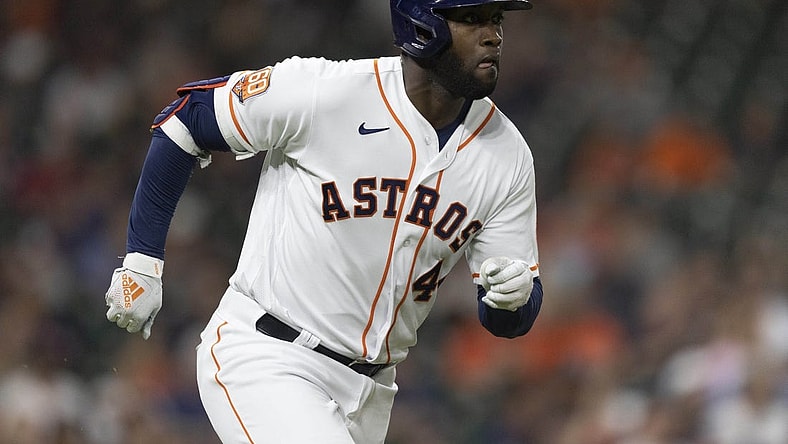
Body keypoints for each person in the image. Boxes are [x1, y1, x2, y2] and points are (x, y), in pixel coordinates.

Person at [104, 0, 543, 442]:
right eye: (472, 19)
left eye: (497, 19)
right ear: (422, 25)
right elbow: (188, 118)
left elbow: (508, 319)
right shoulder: (327, 91)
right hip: (269, 357)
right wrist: (142, 261)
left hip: (373, 391)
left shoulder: (508, 156)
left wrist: (512, 298)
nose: (493, 35)